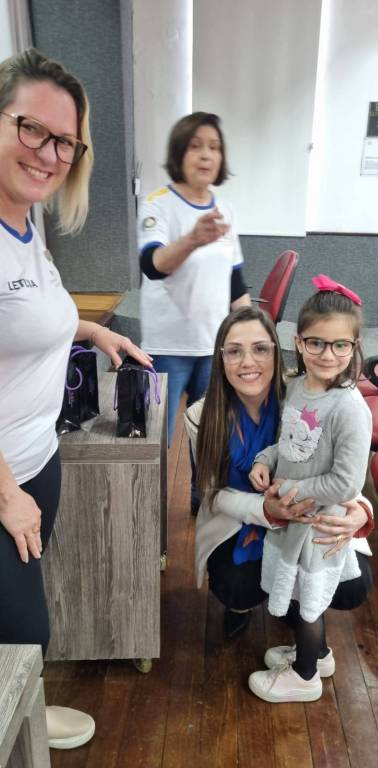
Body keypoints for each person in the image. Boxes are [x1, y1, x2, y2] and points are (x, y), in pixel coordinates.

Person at [0, 48, 152, 750]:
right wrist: (7, 493)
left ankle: (26, 709)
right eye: (31, 127)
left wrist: (92, 330)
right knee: (22, 630)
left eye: (65, 141)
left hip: (36, 456)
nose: (49, 153)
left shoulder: (26, 222)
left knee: (19, 624)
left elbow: (32, 316)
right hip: (5, 476)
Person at [185, 306, 374, 648]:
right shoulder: (202, 414)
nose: (248, 362)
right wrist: (267, 510)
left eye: (260, 349)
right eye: (234, 351)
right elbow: (213, 492)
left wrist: (362, 510)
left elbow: (339, 466)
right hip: (243, 519)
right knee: (237, 586)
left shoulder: (303, 393)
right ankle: (250, 605)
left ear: (278, 350)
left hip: (309, 513)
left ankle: (298, 610)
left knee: (353, 585)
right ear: (220, 358)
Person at [248, 275, 372, 703]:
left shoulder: (349, 408)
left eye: (340, 345)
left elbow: (347, 482)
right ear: (299, 342)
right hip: (296, 517)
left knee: (308, 604)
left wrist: (292, 487)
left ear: (354, 347)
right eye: (316, 343)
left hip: (319, 524)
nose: (328, 354)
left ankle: (304, 677)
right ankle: (316, 655)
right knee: (302, 596)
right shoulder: (298, 387)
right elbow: (290, 443)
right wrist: (265, 460)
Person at [137, 111, 250, 460]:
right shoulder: (158, 204)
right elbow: (152, 264)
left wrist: (253, 335)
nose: (205, 155)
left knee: (209, 438)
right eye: (195, 146)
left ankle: (204, 493)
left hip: (214, 345)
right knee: (154, 441)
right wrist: (192, 240)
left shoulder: (225, 210)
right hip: (167, 347)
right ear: (179, 153)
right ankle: (152, 497)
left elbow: (235, 281)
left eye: (214, 147)